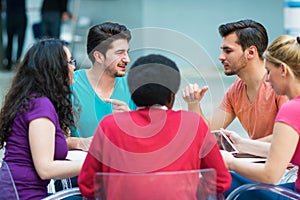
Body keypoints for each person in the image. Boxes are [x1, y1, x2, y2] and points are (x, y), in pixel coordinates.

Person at [78, 54, 231, 199]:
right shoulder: (193, 124)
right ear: (172, 96)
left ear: (133, 93)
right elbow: (221, 181)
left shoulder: (109, 125)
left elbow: (87, 185)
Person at [182, 19, 288, 157]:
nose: (220, 57)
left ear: (250, 52)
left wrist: (241, 146)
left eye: (228, 51)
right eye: (222, 51)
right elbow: (205, 133)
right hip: (261, 165)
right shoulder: (235, 90)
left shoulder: (281, 85)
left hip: (289, 170)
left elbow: (288, 138)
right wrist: (193, 103)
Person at [0, 38, 82, 199]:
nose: (74, 67)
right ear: (55, 68)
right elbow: (45, 169)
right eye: (70, 61)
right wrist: (96, 164)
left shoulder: (37, 101)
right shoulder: (40, 105)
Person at [221, 35, 300, 199]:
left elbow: (270, 175)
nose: (268, 79)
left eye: (270, 71)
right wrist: (241, 144)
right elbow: (282, 151)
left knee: (225, 181)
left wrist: (229, 162)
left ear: (284, 70)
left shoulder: (291, 110)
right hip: (294, 188)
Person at [67, 22, 137, 151]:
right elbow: (47, 139)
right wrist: (79, 143)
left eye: (127, 52)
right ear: (98, 56)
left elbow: (152, 138)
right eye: (120, 53)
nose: (127, 59)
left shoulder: (135, 86)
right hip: (81, 168)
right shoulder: (70, 86)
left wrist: (132, 121)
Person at [4, 0, 27, 70]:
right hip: (18, 15)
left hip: (12, 16)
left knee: (11, 40)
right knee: (17, 41)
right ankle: (15, 62)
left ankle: (11, 62)